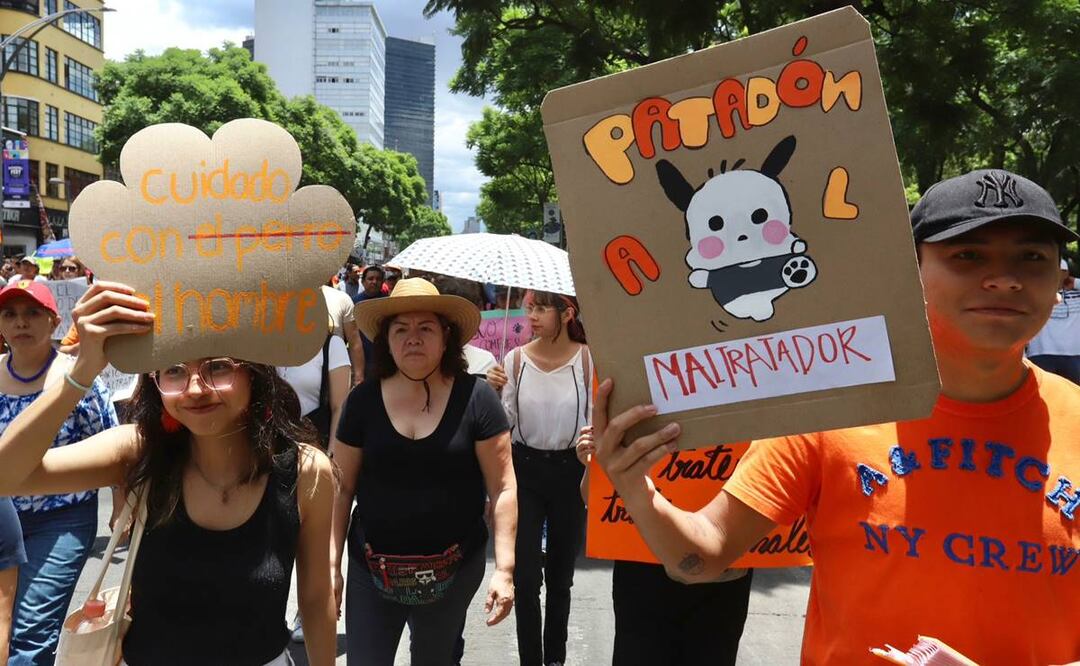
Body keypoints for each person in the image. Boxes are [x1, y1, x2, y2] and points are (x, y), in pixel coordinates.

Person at [591, 169, 1080, 664]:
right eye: (967, 256)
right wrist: (635, 486)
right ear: (907, 272)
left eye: (1032, 257)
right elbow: (701, 555)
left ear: (1062, 281)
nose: (1004, 279)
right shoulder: (830, 412)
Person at [0, 280, 338, 665]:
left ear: (255, 374)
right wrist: (82, 369)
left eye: (217, 367)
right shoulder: (136, 450)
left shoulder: (306, 470)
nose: (195, 388)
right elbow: (8, 475)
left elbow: (314, 598)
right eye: (174, 371)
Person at [331, 277, 516, 665]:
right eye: (401, 329)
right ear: (386, 340)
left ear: (446, 337)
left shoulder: (478, 399)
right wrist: (331, 565)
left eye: (425, 328)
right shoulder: (361, 402)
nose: (412, 338)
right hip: (372, 569)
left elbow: (502, 488)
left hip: (452, 571)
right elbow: (341, 487)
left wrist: (505, 569)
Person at [0, 280, 118, 665]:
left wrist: (121, 505)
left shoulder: (79, 378)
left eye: (32, 312)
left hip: (61, 521)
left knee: (31, 630)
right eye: (10, 314)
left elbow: (113, 444)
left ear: (53, 321)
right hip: (4, 520)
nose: (21, 322)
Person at [575, 427, 752, 666]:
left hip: (721, 580)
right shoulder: (632, 414)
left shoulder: (748, 413)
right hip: (644, 575)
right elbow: (595, 501)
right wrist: (593, 463)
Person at [486, 290, 591, 666]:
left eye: (542, 308)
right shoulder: (514, 361)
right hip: (524, 471)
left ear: (567, 314)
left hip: (572, 471)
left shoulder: (588, 361)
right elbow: (502, 424)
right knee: (526, 579)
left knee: (561, 577)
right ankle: (531, 659)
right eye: (530, 308)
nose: (532, 316)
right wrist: (492, 390)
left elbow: (596, 414)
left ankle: (555, 659)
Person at [277, 307, 350, 643]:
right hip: (272, 450)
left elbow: (339, 407)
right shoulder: (265, 341)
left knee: (313, 541)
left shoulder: (329, 345)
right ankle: (272, 610)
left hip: (316, 451)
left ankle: (310, 612)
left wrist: (332, 457)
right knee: (275, 536)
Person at [1025, 259, 1079, 384]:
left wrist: (1075, 282)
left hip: (1074, 354)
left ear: (1066, 274)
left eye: (1060, 271)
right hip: (1040, 352)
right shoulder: (1033, 294)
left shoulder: (1077, 294)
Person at [322, 282, 365, 384]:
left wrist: (358, 379)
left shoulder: (341, 299)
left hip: (334, 374)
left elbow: (354, 342)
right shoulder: (287, 298)